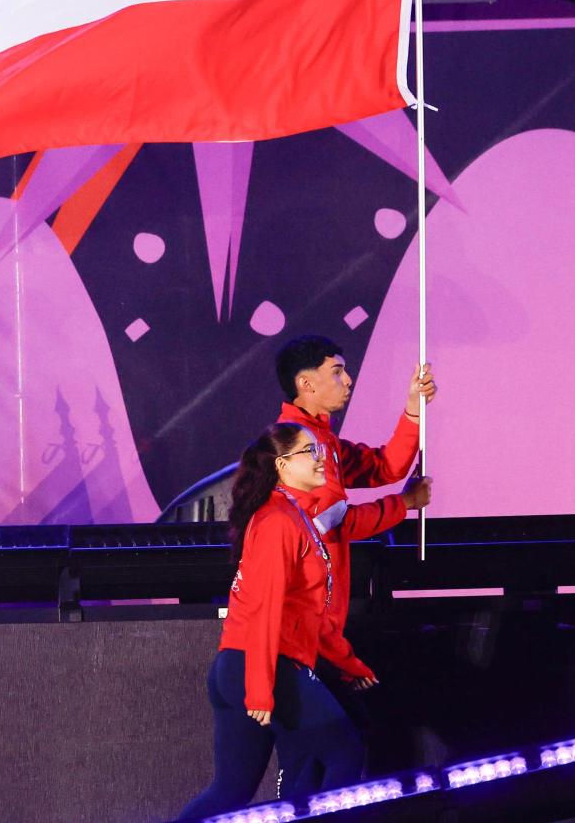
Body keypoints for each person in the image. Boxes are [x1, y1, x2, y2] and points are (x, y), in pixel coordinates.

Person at [178, 422, 431, 819]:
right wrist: (260, 688)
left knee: (230, 791)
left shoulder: (296, 516)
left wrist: (348, 664)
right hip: (260, 666)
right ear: (281, 464)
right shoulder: (277, 521)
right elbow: (265, 608)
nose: (321, 459)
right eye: (309, 452)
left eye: (320, 451)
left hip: (243, 667)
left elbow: (305, 615)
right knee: (343, 753)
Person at [275, 335, 437, 689]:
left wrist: (413, 409)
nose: (348, 380)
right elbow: (338, 523)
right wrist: (406, 503)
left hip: (321, 627)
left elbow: (384, 467)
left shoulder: (322, 440)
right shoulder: (297, 448)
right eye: (337, 371)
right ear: (306, 383)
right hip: (306, 630)